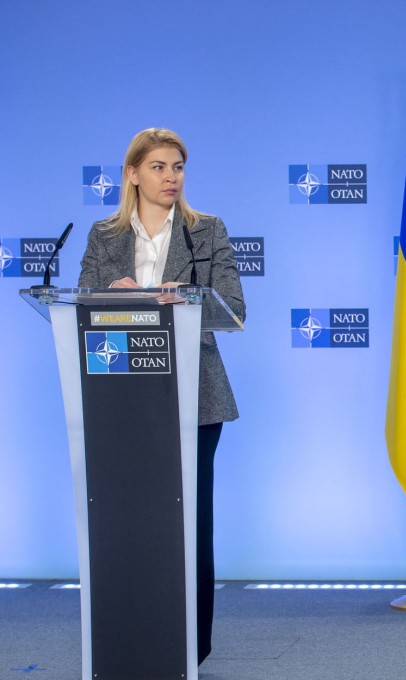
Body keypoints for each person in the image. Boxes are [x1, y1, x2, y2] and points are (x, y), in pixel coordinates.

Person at [79, 127, 245, 664]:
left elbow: (235, 309)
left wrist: (188, 300)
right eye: (158, 167)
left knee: (190, 524)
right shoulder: (103, 236)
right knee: (128, 522)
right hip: (121, 403)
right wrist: (111, 297)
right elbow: (82, 306)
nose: (170, 177)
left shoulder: (208, 231)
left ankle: (191, 648)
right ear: (132, 173)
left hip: (195, 399)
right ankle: (130, 637)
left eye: (177, 167)